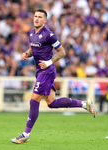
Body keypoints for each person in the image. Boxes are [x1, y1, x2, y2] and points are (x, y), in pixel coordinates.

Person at [11, 9, 96, 144]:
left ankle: (26, 134)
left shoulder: (49, 35)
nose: (36, 19)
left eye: (40, 17)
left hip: (47, 71)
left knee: (34, 101)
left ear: (45, 20)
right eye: (35, 16)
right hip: (40, 71)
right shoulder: (31, 33)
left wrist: (49, 62)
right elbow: (33, 49)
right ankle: (85, 104)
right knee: (51, 103)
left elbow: (62, 52)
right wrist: (27, 54)